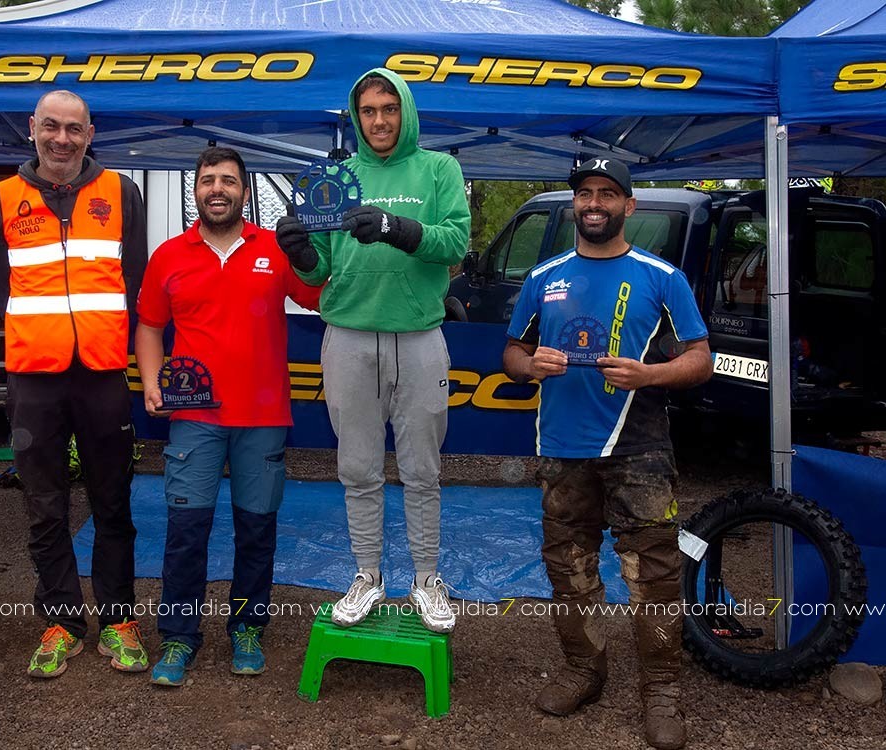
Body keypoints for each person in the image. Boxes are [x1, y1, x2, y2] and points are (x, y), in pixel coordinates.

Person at [502, 157, 712, 750]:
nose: (594, 203)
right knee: (569, 569)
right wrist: (528, 365)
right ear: (575, 204)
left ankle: (662, 691)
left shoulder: (660, 276)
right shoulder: (544, 277)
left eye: (607, 194)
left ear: (628, 206)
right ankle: (583, 671)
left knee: (654, 572)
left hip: (639, 449)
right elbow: (512, 354)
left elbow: (701, 357)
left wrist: (651, 374)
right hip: (562, 449)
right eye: (585, 194)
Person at [275, 68, 471, 633]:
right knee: (358, 467)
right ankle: (366, 574)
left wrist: (397, 228)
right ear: (356, 117)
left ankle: (427, 579)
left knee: (421, 469)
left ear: (405, 111)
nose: (380, 120)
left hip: (419, 337)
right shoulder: (336, 175)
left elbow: (456, 242)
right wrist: (299, 253)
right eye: (369, 111)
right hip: (349, 337)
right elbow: (320, 267)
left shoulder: (439, 169)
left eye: (389, 108)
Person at [136, 147, 322, 686]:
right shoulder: (170, 254)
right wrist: (151, 383)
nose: (217, 189)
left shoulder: (274, 248)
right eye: (207, 180)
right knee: (186, 530)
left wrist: (310, 255)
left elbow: (320, 298)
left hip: (263, 416)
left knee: (256, 530)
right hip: (194, 416)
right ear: (196, 190)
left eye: (228, 181)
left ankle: (247, 628)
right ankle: (178, 636)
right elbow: (149, 326)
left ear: (245, 191)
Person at [0, 90, 147, 679]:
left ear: (90, 134)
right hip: (34, 379)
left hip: (101, 374)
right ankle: (61, 623)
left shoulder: (122, 193)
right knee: (43, 506)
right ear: (32, 129)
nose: (62, 139)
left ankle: (119, 621)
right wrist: (46, 337)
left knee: (113, 502)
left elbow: (133, 279)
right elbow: (0, 290)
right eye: (51, 126)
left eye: (74, 129)